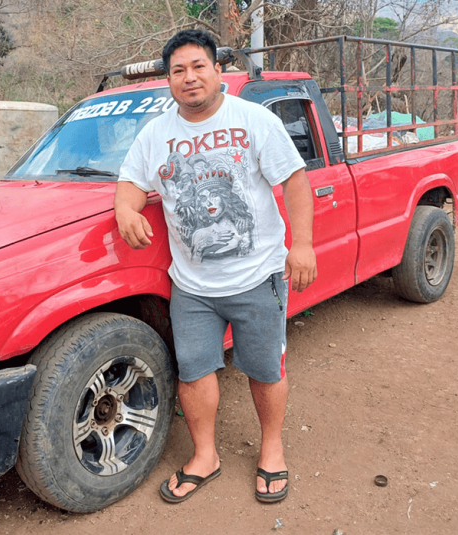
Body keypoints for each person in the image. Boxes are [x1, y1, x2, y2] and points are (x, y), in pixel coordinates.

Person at [114, 29, 317, 505]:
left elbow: (295, 180)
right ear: (169, 79)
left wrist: (302, 245)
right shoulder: (156, 134)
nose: (189, 78)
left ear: (217, 71)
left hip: (257, 276)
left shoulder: (253, 120)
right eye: (178, 70)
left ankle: (271, 448)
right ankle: (205, 455)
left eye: (198, 66)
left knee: (265, 369)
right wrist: (126, 209)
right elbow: (129, 182)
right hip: (192, 286)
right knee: (195, 371)